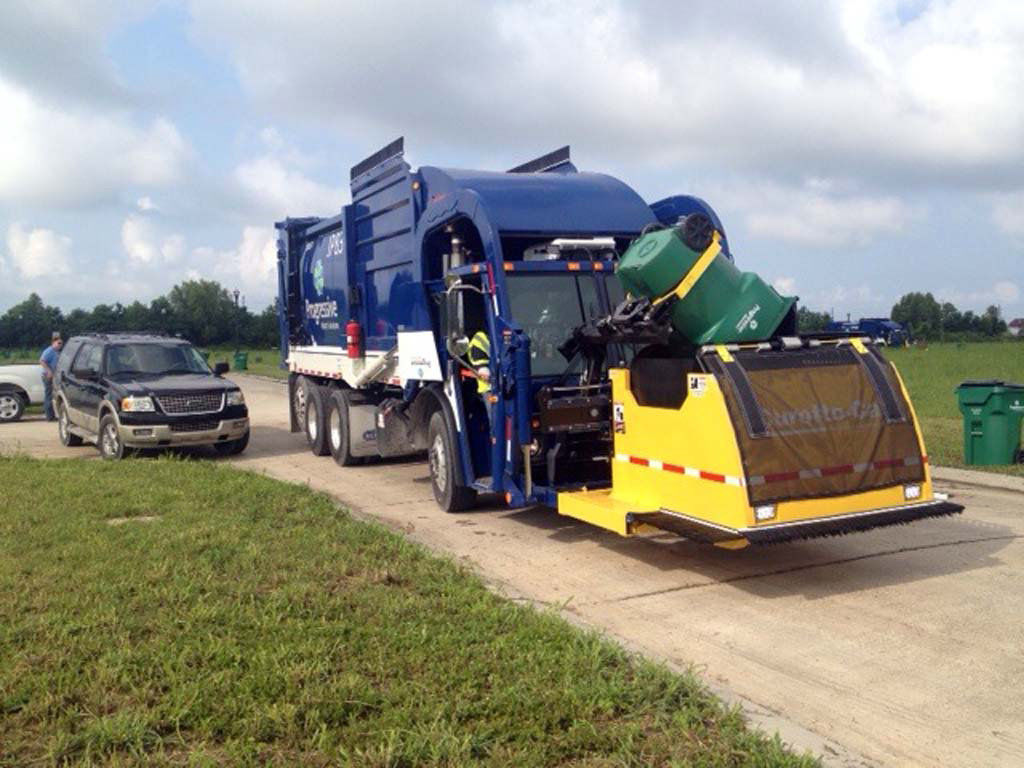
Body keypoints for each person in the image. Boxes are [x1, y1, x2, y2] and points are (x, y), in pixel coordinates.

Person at [39, 332, 62, 421]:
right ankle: (49, 417)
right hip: (47, 376)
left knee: (51, 395)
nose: (60, 345)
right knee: (48, 395)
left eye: (61, 343)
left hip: (52, 376)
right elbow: (42, 360)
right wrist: (49, 371)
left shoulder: (56, 351)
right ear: (53, 342)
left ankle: (51, 415)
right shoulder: (49, 351)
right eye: (59, 343)